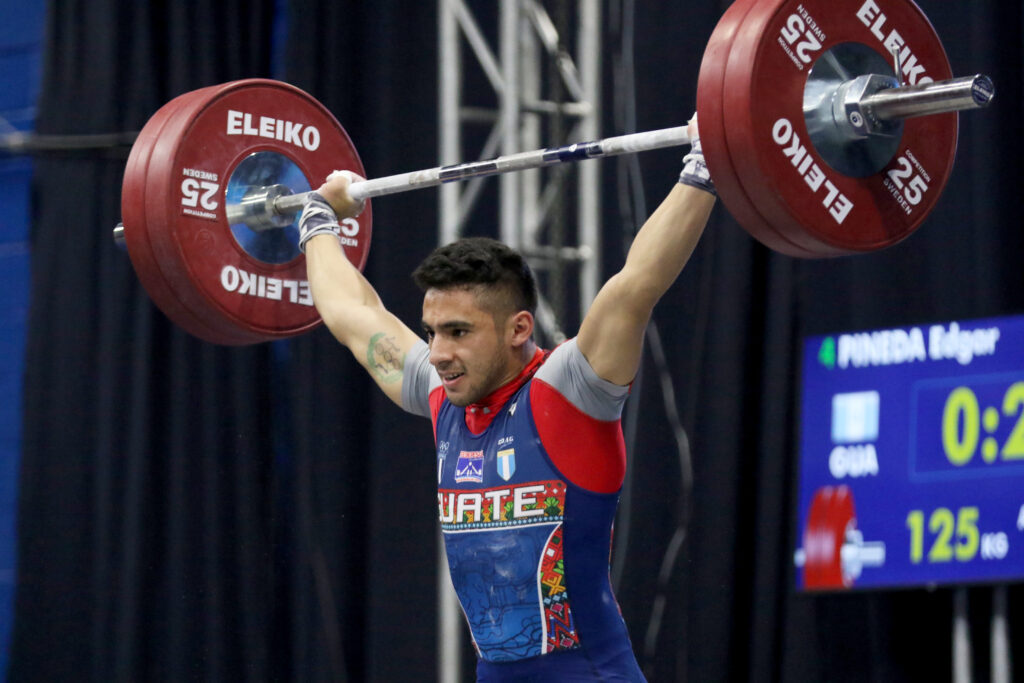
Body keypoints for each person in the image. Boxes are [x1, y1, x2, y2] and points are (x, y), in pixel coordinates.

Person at [298, 117, 715, 681]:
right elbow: (353, 316)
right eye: (432, 332)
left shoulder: (572, 389)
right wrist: (317, 221)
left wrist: (705, 165)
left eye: (459, 332)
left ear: (519, 328)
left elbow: (636, 284)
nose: (439, 352)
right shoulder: (442, 395)